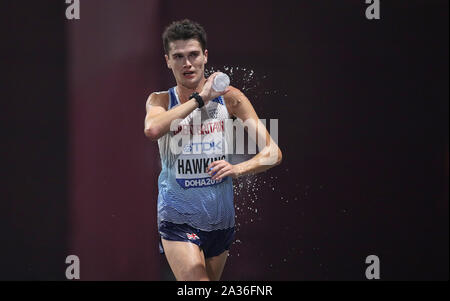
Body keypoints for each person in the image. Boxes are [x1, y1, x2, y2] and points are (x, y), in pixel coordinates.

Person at [144, 19, 282, 281]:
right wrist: (200, 99)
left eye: (194, 55)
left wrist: (238, 168)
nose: (187, 63)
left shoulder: (230, 98)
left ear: (205, 57)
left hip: (220, 223)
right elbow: (152, 130)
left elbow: (273, 152)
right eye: (179, 57)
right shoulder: (160, 100)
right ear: (167, 61)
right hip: (177, 220)